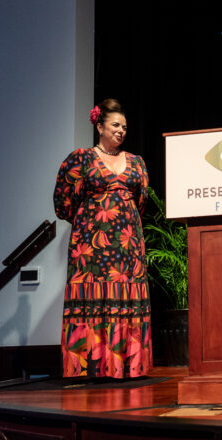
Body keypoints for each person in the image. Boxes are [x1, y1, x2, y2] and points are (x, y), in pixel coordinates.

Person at [53, 99, 152, 378]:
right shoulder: (80, 158)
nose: (121, 131)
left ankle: (127, 366)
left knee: (126, 294)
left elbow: (142, 201)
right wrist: (91, 218)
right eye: (115, 125)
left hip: (128, 243)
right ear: (100, 126)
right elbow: (62, 203)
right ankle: (90, 367)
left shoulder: (136, 161)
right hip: (91, 243)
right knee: (92, 295)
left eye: (124, 127)